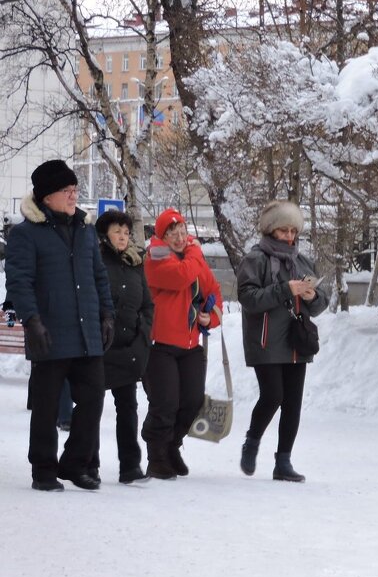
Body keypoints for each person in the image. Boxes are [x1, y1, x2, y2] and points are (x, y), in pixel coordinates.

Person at [5, 159, 114, 491]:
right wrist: (33, 321)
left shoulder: (84, 230)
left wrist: (107, 314)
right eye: (67, 190)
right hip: (50, 331)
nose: (73, 196)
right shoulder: (25, 234)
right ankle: (43, 469)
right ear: (47, 196)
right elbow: (19, 282)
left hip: (86, 332)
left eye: (75, 190)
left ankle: (73, 462)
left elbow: (99, 277)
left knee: (93, 399)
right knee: (46, 406)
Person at [236, 201, 327, 483]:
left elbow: (320, 303)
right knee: (273, 395)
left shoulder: (302, 260)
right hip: (265, 339)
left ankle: (283, 461)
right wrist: (284, 289)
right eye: (283, 231)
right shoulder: (256, 259)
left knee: (293, 403)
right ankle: (252, 442)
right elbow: (248, 298)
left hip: (296, 340)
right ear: (270, 230)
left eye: (293, 230)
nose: (289, 236)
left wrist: (312, 297)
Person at [142, 208, 223, 480]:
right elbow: (179, 277)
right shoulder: (156, 253)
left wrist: (209, 317)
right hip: (160, 343)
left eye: (182, 232)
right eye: (172, 233)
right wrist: (195, 252)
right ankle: (156, 456)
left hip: (190, 343)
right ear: (162, 236)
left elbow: (213, 290)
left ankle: (173, 446)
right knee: (165, 403)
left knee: (192, 402)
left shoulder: (192, 258)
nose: (179, 237)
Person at [94, 209, 155, 484]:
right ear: (105, 234)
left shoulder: (135, 263)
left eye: (126, 232)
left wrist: (142, 336)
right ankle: (87, 463)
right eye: (117, 231)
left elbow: (147, 304)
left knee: (128, 407)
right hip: (99, 347)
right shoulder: (95, 260)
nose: (122, 236)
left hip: (129, 347)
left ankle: (130, 467)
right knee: (90, 408)